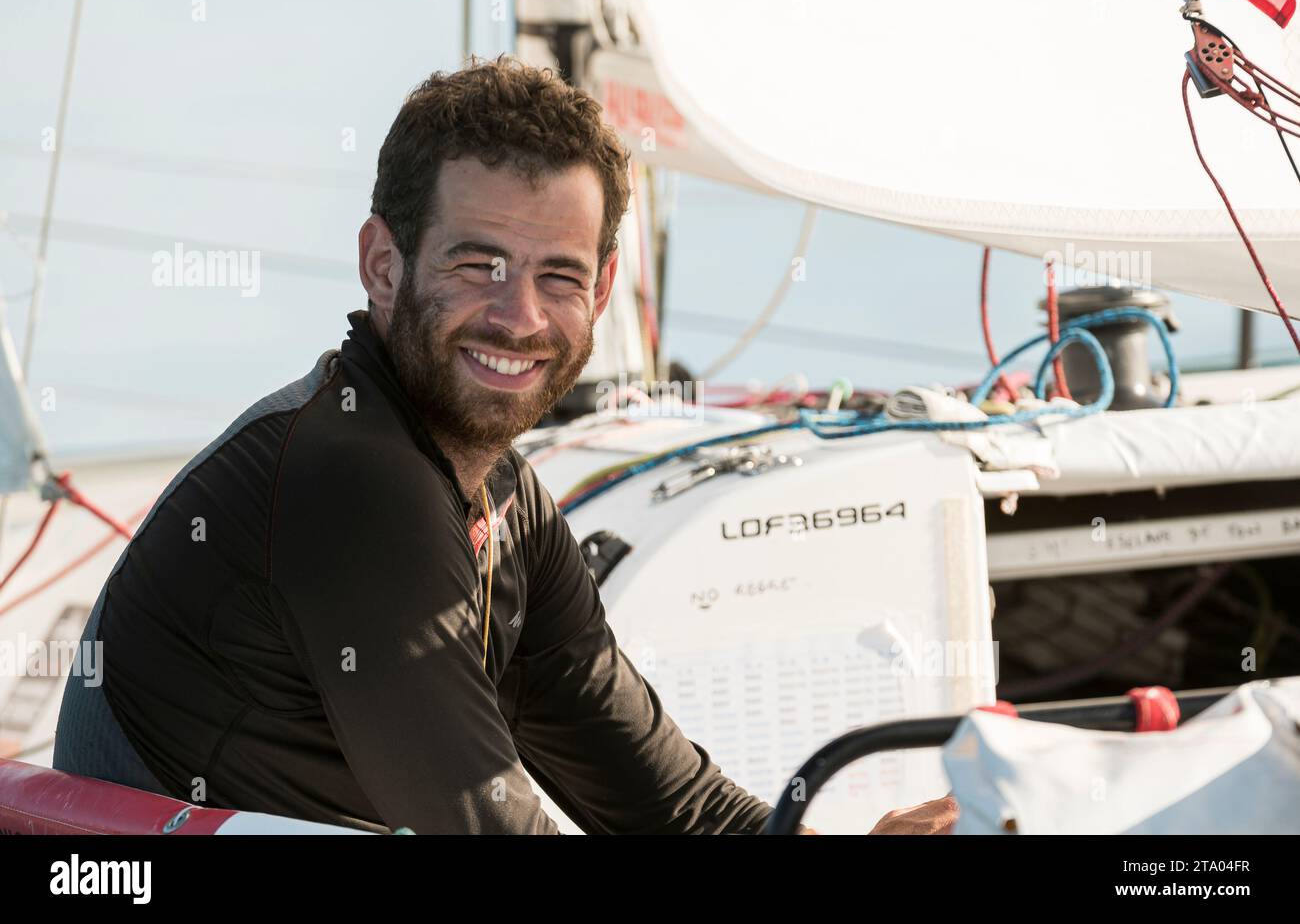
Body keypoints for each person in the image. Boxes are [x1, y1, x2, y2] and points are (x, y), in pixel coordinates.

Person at [53, 57, 957, 835]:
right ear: (382, 263)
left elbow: (668, 809)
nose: (519, 318)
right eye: (476, 264)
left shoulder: (503, 503)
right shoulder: (350, 482)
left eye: (557, 276)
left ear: (601, 292)